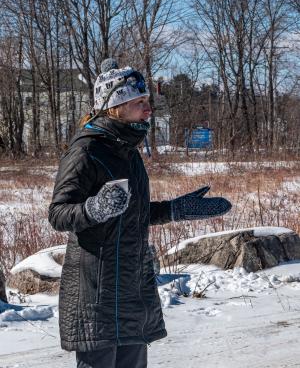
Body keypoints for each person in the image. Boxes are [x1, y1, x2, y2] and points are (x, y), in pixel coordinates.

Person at [48, 58, 232, 368]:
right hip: (97, 291)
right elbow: (59, 213)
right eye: (139, 102)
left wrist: (173, 210)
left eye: (147, 101)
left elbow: (130, 212)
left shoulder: (128, 151)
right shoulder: (86, 151)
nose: (148, 109)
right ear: (115, 107)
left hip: (132, 286)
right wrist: (94, 208)